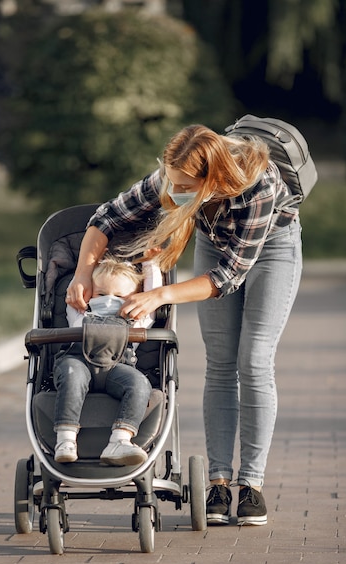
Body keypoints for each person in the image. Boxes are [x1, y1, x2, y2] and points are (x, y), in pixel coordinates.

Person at [65, 124, 302, 525]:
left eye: (184, 185)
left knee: (255, 360)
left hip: (272, 247)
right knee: (221, 363)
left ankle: (251, 486)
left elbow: (228, 276)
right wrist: (82, 274)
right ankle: (219, 481)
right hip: (215, 241)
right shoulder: (172, 177)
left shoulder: (257, 186)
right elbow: (105, 218)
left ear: (214, 179)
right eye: (171, 181)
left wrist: (158, 295)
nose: (173, 191)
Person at [54, 256, 162, 466]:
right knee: (71, 374)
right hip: (79, 362)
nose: (109, 300)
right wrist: (88, 264)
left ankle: (120, 440)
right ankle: (65, 440)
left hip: (117, 370)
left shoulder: (138, 318)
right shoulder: (79, 312)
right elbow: (76, 287)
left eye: (120, 296)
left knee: (140, 384)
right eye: (101, 294)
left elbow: (152, 293)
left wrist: (150, 262)